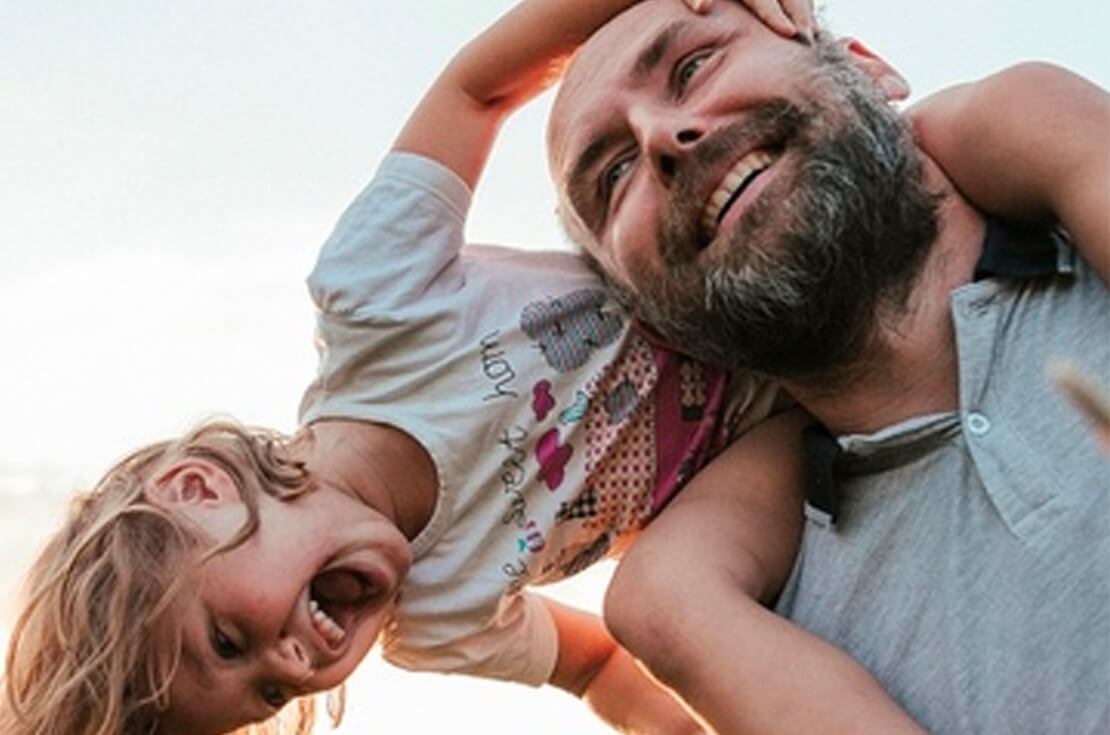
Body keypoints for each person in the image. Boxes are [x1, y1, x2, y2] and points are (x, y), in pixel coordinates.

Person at [3, 1, 930, 734]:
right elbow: (597, 664)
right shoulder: (436, 621)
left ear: (199, 488)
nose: (288, 664)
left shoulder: (375, 302)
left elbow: (478, 86)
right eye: (263, 696)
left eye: (229, 636)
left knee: (974, 131)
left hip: (752, 258)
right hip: (780, 424)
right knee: (659, 603)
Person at [546, 0, 1110, 732]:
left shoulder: (1064, 163)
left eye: (693, 65)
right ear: (649, 312)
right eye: (615, 175)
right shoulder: (742, 613)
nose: (662, 138)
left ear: (867, 67)